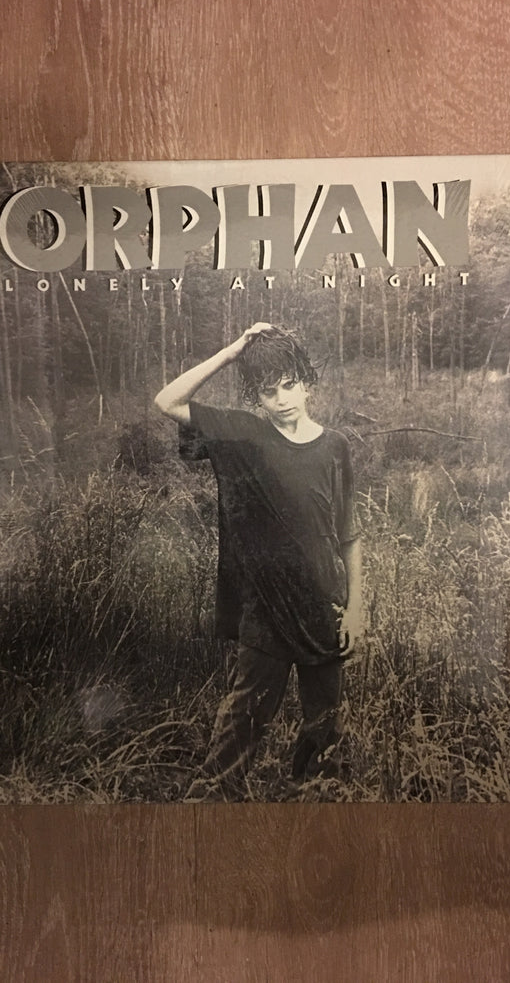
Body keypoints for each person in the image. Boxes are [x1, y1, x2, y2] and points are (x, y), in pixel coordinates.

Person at [154, 322, 363, 800]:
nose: (282, 399)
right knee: (244, 717)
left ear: (307, 382)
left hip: (323, 608)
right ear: (256, 397)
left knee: (326, 725)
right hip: (264, 611)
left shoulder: (335, 447)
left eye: (289, 385)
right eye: (268, 391)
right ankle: (211, 803)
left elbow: (349, 535)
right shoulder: (243, 436)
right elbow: (167, 401)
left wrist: (355, 608)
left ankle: (314, 801)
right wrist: (232, 352)